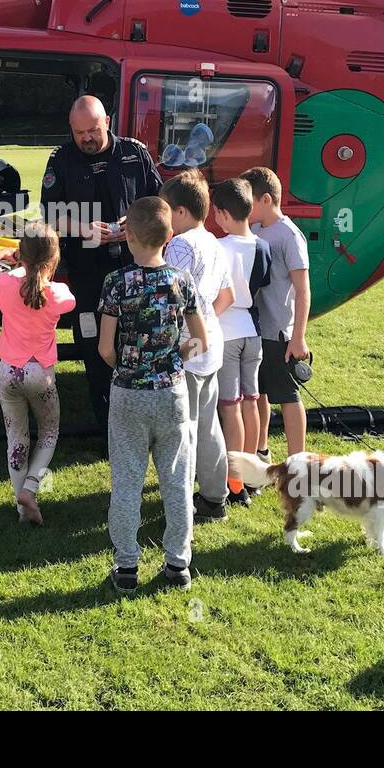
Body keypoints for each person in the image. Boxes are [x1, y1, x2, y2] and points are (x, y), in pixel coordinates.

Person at [98, 196, 208, 592]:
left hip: (129, 392)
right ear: (169, 235)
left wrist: (130, 369)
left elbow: (105, 349)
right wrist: (173, 361)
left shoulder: (116, 283)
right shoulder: (182, 280)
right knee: (177, 480)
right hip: (172, 393)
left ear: (128, 236)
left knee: (127, 480)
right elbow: (200, 339)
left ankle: (126, 566)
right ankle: (178, 564)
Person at [40, 95, 162, 430]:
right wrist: (81, 227)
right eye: (79, 133)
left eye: (92, 130)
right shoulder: (61, 159)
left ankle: (143, 424)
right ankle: (107, 428)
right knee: (95, 352)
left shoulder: (134, 153)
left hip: (135, 270)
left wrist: (135, 224)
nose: (86, 139)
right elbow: (47, 216)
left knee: (139, 344)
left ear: (106, 121)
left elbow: (160, 205)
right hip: (88, 273)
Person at [0, 223, 75, 526]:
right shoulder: (60, 294)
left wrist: (1, 253)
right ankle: (31, 489)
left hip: (8, 373)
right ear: (54, 258)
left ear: (21, 256)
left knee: (15, 440)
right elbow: (65, 298)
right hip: (39, 373)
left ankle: (22, 511)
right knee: (49, 433)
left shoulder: (4, 284)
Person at [160, 170, 235, 523]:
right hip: (211, 344)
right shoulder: (215, 242)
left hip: (186, 348)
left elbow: (169, 297)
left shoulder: (180, 245)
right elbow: (227, 295)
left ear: (180, 212)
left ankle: (182, 504)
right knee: (208, 424)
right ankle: (215, 496)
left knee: (183, 429)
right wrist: (204, 324)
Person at [242, 166, 311, 460]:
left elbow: (303, 290)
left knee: (288, 397)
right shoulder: (255, 230)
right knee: (259, 393)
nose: (245, 207)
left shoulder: (289, 235)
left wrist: (298, 338)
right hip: (255, 329)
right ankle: (262, 452)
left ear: (266, 200)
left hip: (280, 330)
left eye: (250, 200)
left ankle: (297, 462)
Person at [211, 177, 271, 504]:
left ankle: (234, 483)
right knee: (252, 400)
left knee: (229, 406)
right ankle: (250, 475)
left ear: (221, 213)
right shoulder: (263, 245)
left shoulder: (220, 246)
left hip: (227, 329)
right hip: (252, 329)